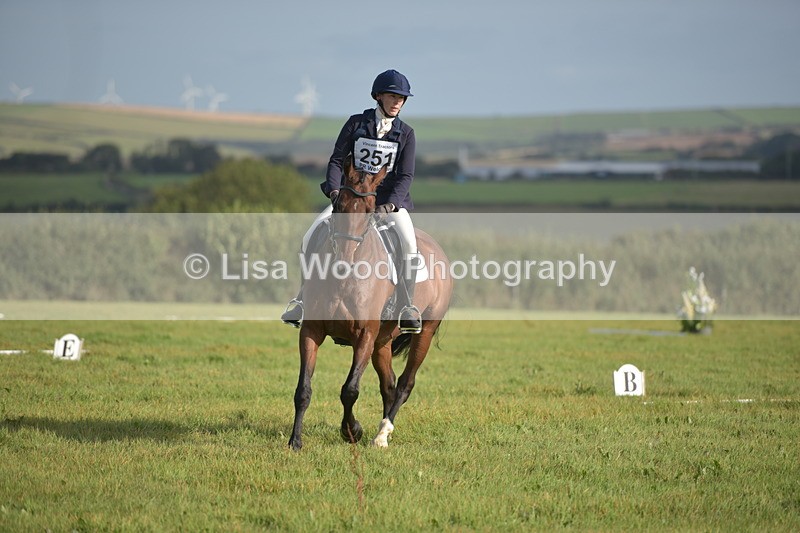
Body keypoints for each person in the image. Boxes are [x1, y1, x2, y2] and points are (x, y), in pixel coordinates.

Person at [281, 69, 422, 333]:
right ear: (378, 96)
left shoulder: (406, 134)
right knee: (311, 234)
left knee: (409, 243)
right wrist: (335, 193)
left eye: (402, 98)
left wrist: (390, 204)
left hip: (386, 203)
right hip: (350, 200)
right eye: (393, 96)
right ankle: (301, 299)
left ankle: (406, 306)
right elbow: (336, 160)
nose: (398, 102)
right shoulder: (356, 124)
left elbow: (406, 175)